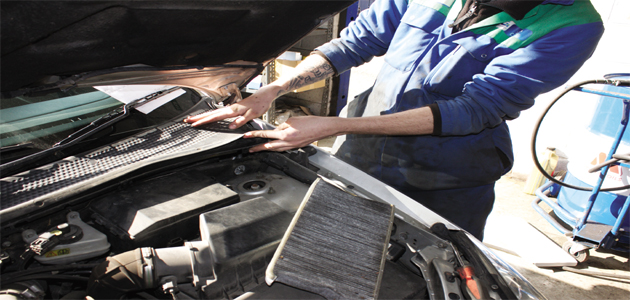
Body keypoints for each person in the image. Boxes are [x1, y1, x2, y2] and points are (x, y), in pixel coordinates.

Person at [185, 0, 604, 239]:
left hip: (448, 176)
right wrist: (276, 88)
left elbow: (478, 107)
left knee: (439, 261)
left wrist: (334, 125)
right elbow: (358, 39)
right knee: (342, 242)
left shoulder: (572, 25)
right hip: (361, 154)